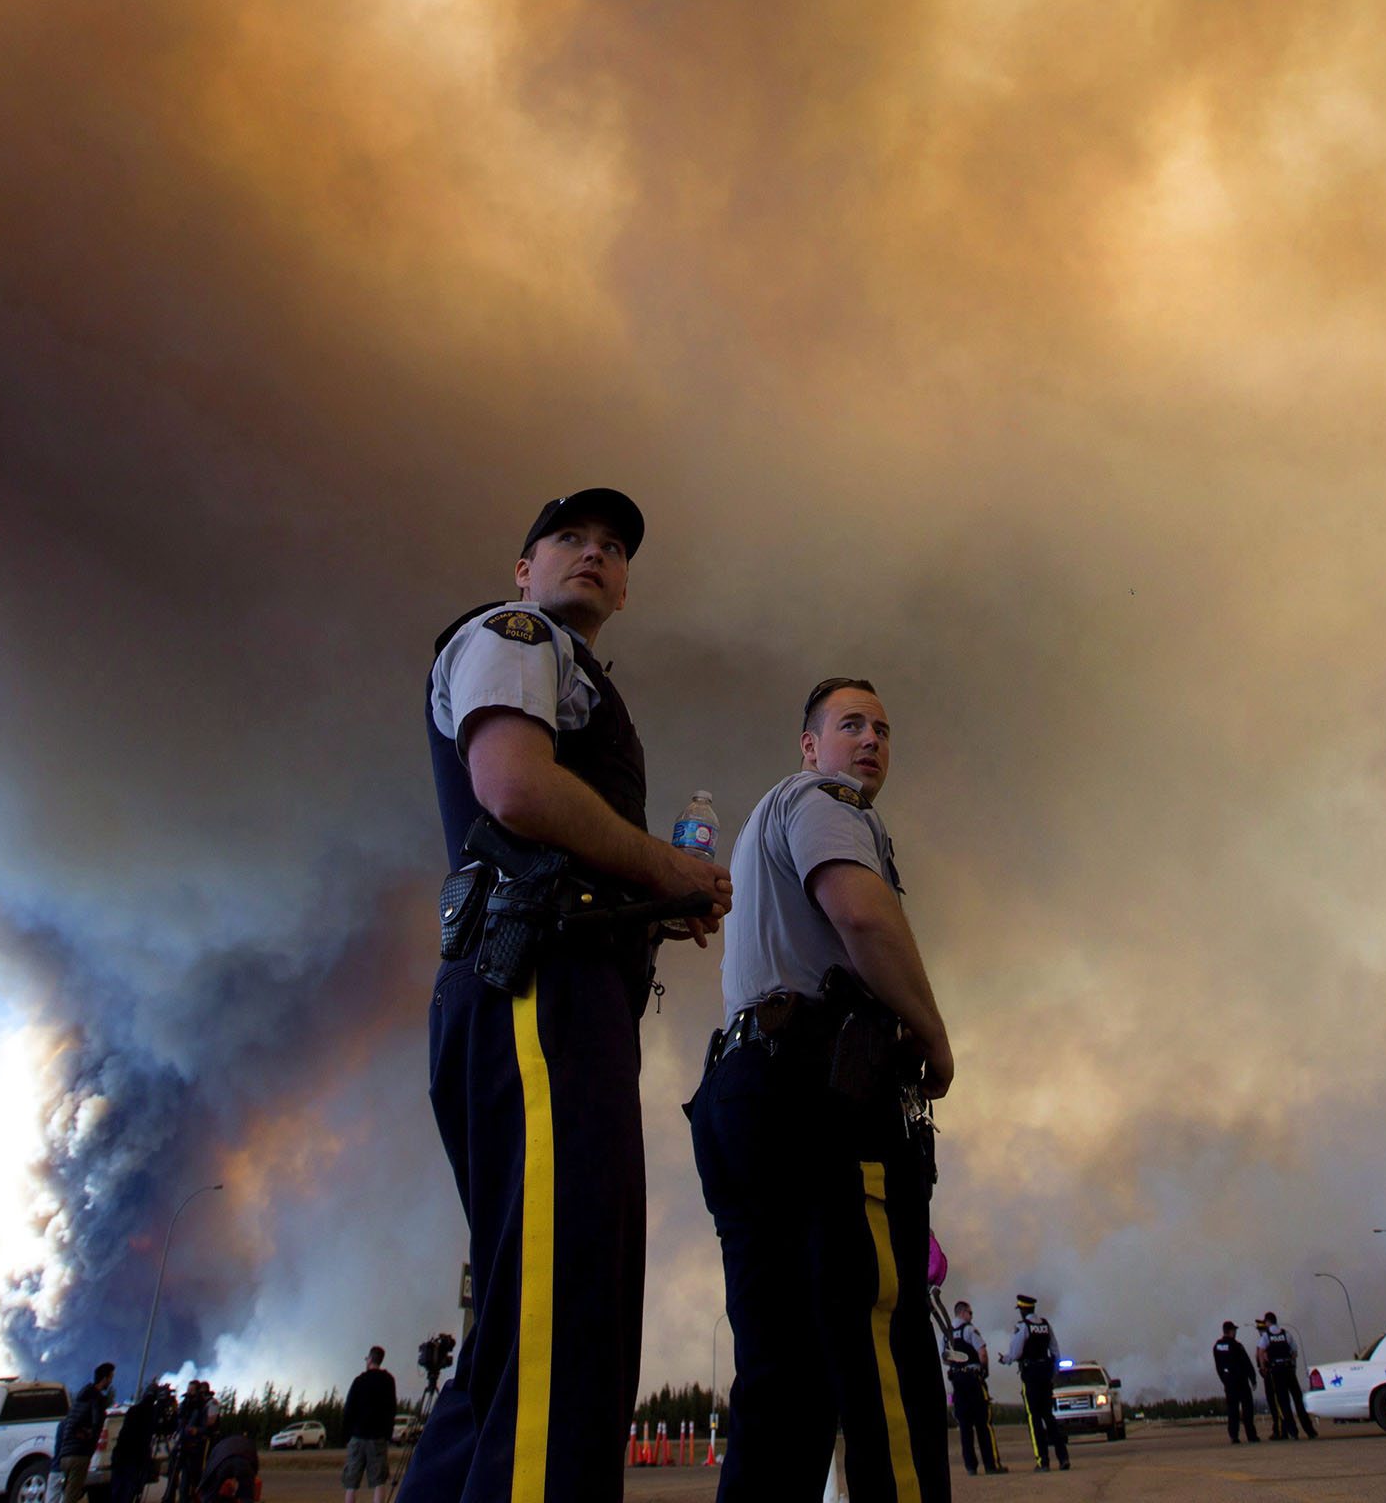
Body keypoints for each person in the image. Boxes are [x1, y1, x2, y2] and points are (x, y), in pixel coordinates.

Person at [401, 488, 731, 1503]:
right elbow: (512, 784)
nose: (595, 553)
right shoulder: (515, 634)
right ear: (523, 566)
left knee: (516, 1329)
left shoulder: (571, 671)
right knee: (564, 1313)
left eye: (614, 546)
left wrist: (648, 895)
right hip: (536, 989)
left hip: (553, 987)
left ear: (626, 584)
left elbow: (556, 824)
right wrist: (661, 870)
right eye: (570, 538)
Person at [689, 676, 955, 1503]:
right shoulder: (824, 799)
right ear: (810, 745)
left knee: (781, 1378)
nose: (871, 739)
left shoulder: (765, 823)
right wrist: (936, 1039)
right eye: (850, 724)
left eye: (882, 727)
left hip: (744, 1094)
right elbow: (862, 915)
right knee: (881, 1347)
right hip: (819, 1097)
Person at [1005, 1300, 1066, 1472]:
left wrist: (1006, 1359)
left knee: (1034, 1418)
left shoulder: (1023, 1327)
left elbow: (1015, 1352)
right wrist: (1053, 1372)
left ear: (1022, 1311)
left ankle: (1043, 1461)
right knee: (1049, 1416)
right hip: (1045, 1374)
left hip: (1030, 1374)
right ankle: (1063, 1457)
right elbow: (1055, 1351)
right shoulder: (1046, 1325)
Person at [942, 1303, 999, 1477]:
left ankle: (970, 1467)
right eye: (970, 1313)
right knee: (983, 1424)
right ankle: (991, 1465)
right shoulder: (969, 1330)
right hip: (973, 1381)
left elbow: (944, 1358)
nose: (971, 1316)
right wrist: (984, 1370)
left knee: (965, 1427)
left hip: (958, 1382)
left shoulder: (947, 1333)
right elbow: (982, 1352)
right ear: (962, 1312)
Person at [339, 1348, 397, 1503]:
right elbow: (391, 1409)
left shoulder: (359, 1381)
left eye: (367, 1358)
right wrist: (387, 1434)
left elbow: (349, 1409)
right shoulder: (388, 1380)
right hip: (377, 1438)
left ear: (370, 1359)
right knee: (379, 1481)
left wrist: (346, 1436)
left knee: (351, 1483)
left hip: (357, 1437)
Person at [57, 1365, 117, 1503]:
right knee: (70, 1497)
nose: (111, 1382)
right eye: (110, 1378)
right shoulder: (96, 1399)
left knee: (69, 1493)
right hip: (79, 1455)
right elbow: (96, 1423)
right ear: (104, 1379)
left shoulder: (80, 1398)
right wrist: (90, 1435)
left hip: (65, 1453)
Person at [107, 1383, 173, 1503]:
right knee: (127, 1493)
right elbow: (165, 1429)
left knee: (116, 1493)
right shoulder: (152, 1413)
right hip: (135, 1460)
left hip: (120, 1456)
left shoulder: (133, 1410)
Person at [1255, 1319, 1307, 1440]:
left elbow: (1260, 1356)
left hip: (1274, 1374)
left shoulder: (1265, 1339)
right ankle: (1307, 1429)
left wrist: (1263, 1368)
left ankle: (1285, 1431)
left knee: (1279, 1404)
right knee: (1296, 1399)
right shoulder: (1285, 1334)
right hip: (1288, 1369)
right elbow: (1294, 1352)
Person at [166, 1383, 215, 1503]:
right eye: (188, 1390)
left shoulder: (203, 1407)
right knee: (172, 1477)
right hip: (180, 1444)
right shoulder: (184, 1405)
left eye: (192, 1390)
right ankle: (169, 1498)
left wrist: (196, 1430)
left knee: (185, 1484)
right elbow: (178, 1421)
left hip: (192, 1448)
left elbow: (207, 1428)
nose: (189, 1392)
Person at [1210, 1324, 1259, 1444]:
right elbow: (1246, 1362)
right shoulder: (1237, 1345)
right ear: (1231, 1331)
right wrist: (1253, 1378)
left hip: (1229, 1382)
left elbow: (1218, 1366)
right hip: (1241, 1381)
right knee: (1247, 1408)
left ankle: (1234, 1436)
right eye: (1234, 1330)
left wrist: (1224, 1380)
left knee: (1232, 1410)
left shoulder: (1217, 1346)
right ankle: (1251, 1435)